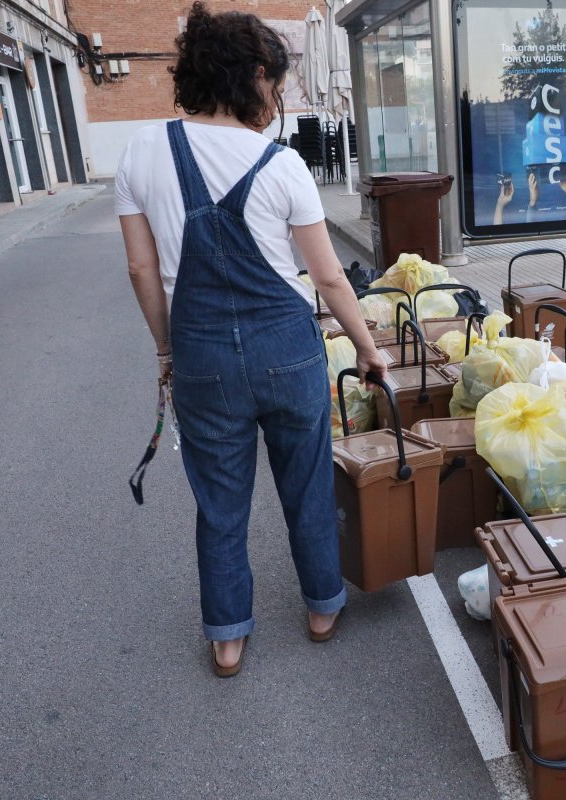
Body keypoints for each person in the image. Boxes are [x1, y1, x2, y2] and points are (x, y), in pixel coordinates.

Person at [115, 1, 387, 678]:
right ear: (257, 74)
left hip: (203, 358)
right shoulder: (281, 164)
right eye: (278, 82)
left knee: (220, 501)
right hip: (288, 352)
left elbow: (141, 268)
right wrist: (371, 349)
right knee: (306, 488)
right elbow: (327, 278)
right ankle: (323, 605)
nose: (280, 96)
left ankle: (228, 636)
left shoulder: (142, 152)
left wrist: (166, 350)